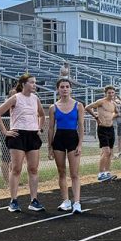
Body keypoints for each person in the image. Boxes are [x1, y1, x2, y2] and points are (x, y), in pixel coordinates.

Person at [0, 74, 46, 213]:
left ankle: (34, 200)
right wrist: (5, 131)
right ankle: (13, 200)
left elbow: (42, 114)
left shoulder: (36, 99)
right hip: (18, 135)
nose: (35, 85)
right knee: (16, 168)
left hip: (32, 135)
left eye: (35, 83)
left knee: (33, 169)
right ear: (23, 84)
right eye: (32, 82)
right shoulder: (16, 98)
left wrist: (39, 128)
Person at [47, 79, 85, 214]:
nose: (64, 89)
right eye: (62, 87)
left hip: (73, 139)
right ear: (58, 89)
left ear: (70, 89)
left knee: (74, 173)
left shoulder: (78, 105)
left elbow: (81, 126)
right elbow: (51, 128)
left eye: (67, 87)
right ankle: (66, 201)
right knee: (61, 172)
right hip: (59, 140)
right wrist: (50, 147)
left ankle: (77, 202)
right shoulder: (53, 107)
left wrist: (80, 144)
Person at [86, 86, 120, 182]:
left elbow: (117, 113)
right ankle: (101, 174)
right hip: (102, 129)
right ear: (105, 93)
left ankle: (107, 173)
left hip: (110, 128)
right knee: (106, 152)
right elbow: (88, 107)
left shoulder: (113, 103)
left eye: (112, 92)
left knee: (110, 153)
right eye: (109, 92)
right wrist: (96, 116)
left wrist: (111, 116)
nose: (111, 94)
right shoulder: (101, 101)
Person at [0, 88, 16, 185]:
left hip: (17, 135)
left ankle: (13, 180)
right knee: (5, 158)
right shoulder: (5, 107)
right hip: (7, 136)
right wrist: (5, 131)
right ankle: (7, 182)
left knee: (15, 159)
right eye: (13, 95)